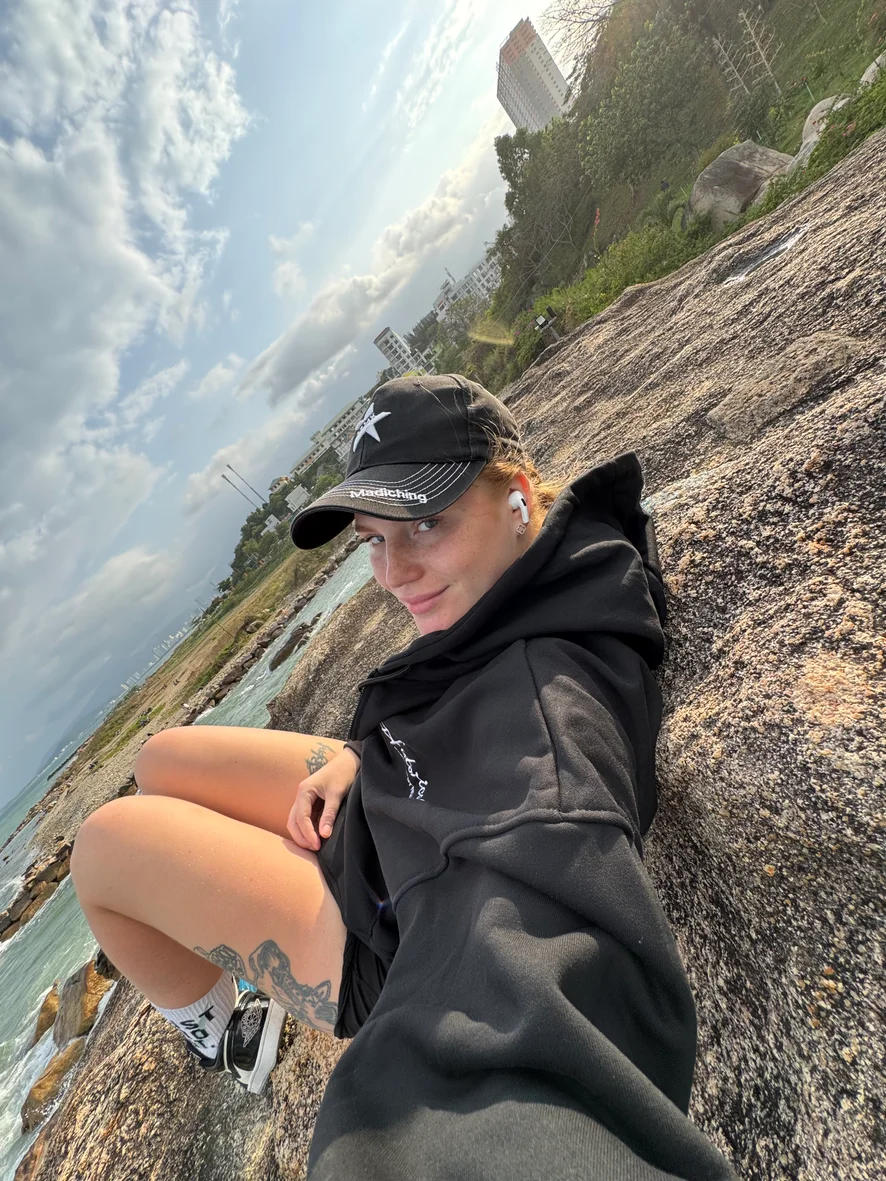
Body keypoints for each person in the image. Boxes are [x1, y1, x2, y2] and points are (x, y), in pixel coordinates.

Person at [71, 375, 735, 1177]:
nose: (394, 571)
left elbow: (524, 1007)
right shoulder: (558, 570)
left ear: (517, 495)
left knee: (101, 848)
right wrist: (358, 754)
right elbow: (449, 681)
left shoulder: (546, 750)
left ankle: (232, 1038)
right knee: (160, 757)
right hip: (396, 785)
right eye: (374, 539)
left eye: (425, 522)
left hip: (378, 923)